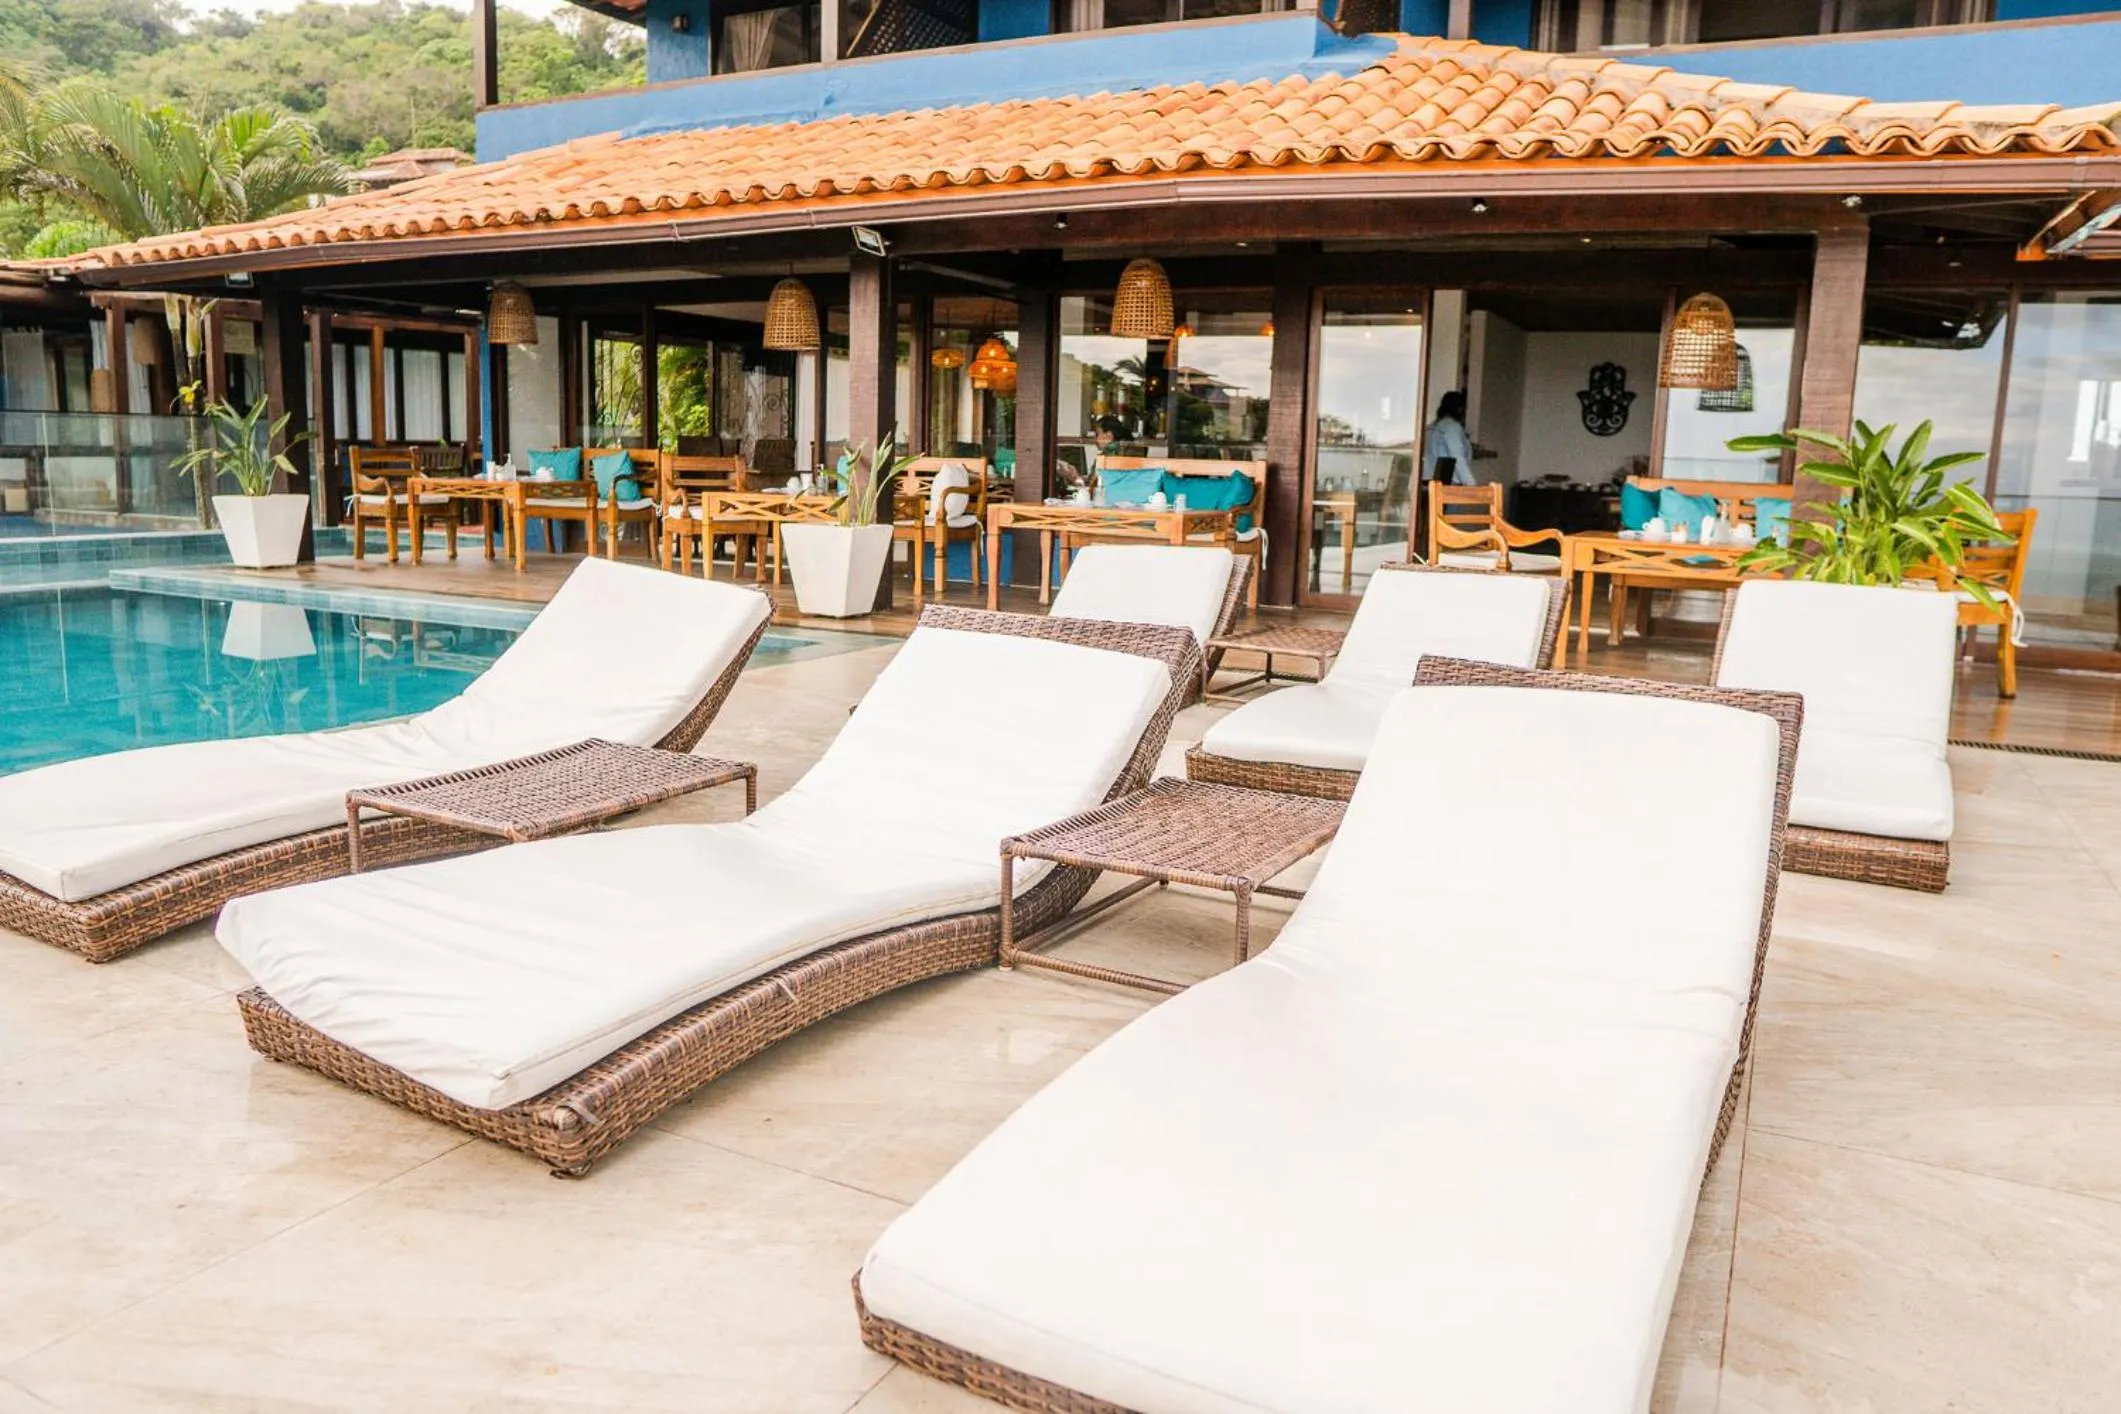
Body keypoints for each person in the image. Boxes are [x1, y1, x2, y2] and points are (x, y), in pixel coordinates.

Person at [1421, 391, 1474, 487]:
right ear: (1460, 409)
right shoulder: (1451, 427)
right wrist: (1472, 485)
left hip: (1426, 483)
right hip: (1447, 485)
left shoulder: (1430, 429)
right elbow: (1458, 457)